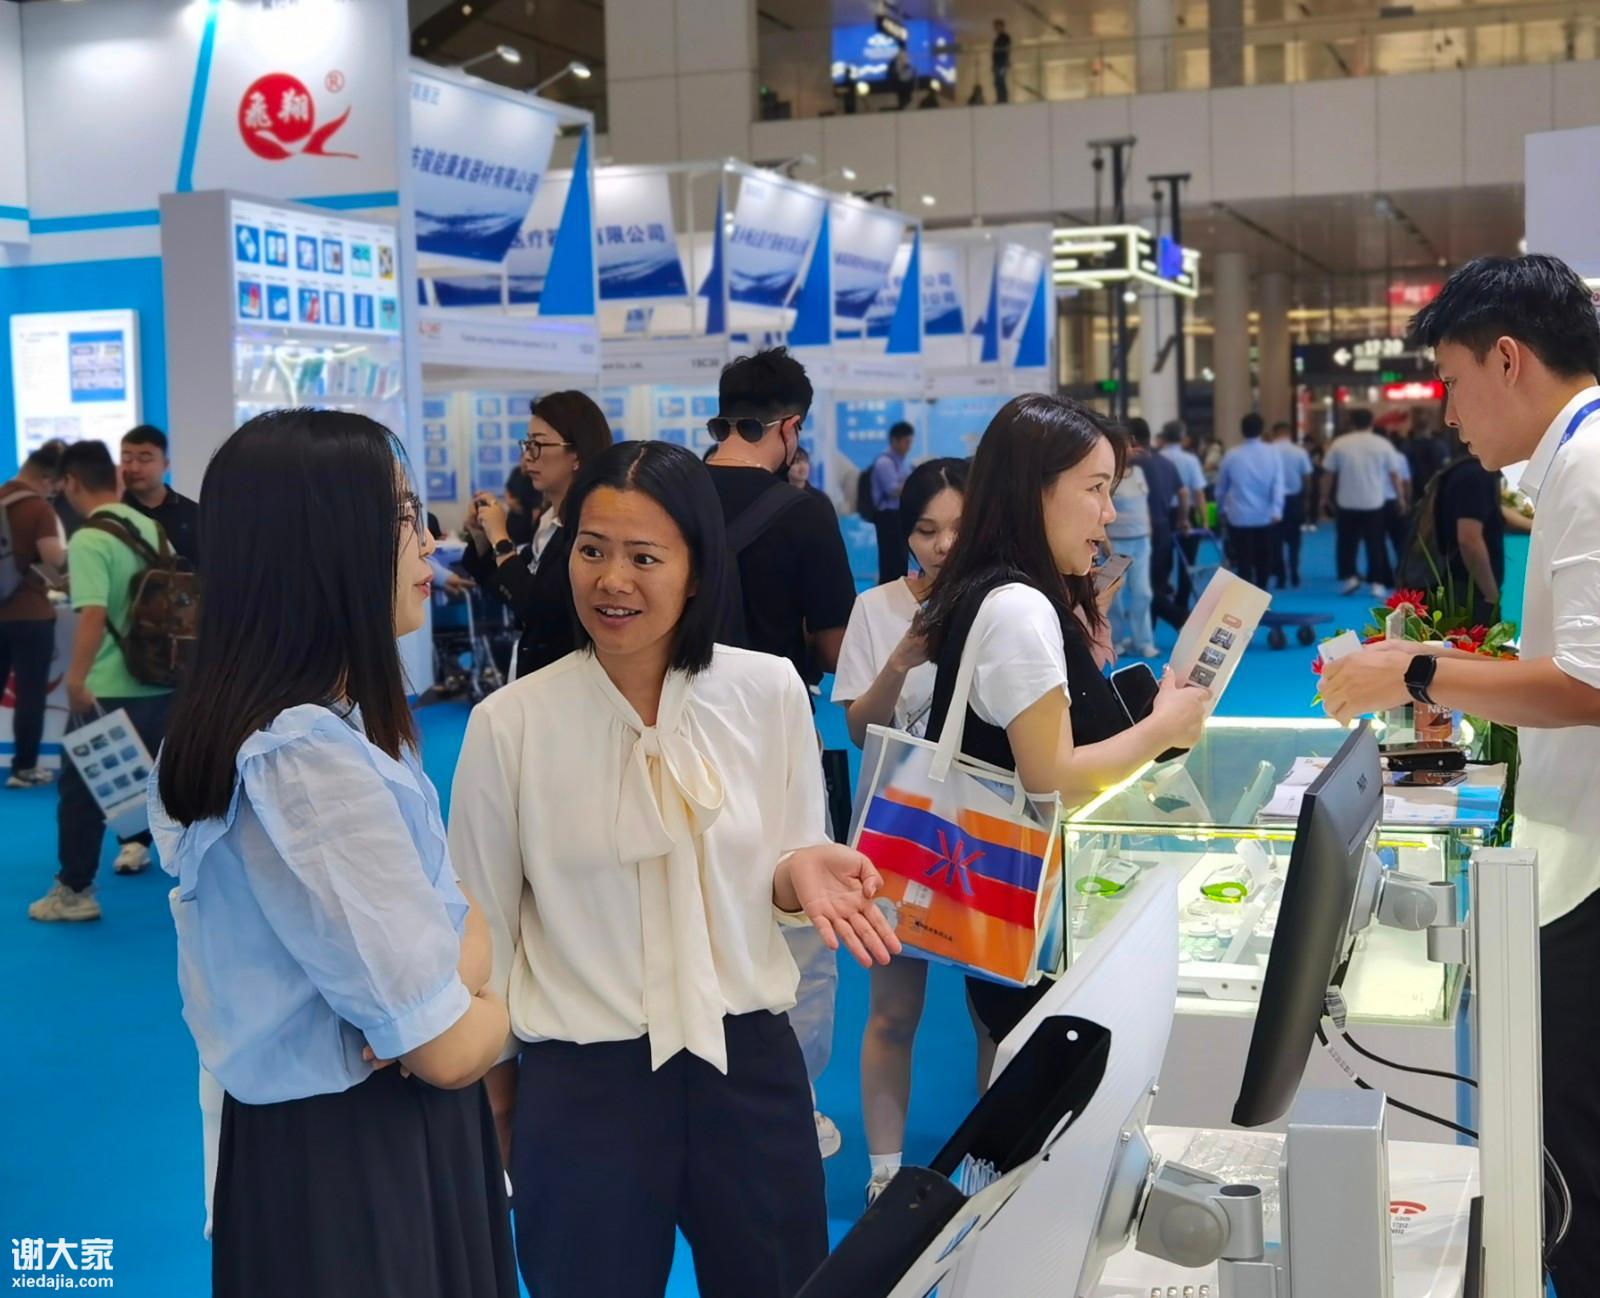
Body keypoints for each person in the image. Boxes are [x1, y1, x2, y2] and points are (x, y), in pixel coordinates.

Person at [449, 440, 900, 1298]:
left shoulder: (767, 691)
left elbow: (787, 857)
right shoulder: (511, 725)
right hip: (583, 1084)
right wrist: (501, 1102)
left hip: (748, 1066)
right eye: (592, 550)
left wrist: (797, 873)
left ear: (697, 570)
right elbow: (488, 932)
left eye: (644, 557)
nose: (612, 580)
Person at [148, 408, 516, 1298]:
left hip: (360, 1137)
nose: (427, 542)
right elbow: (444, 1048)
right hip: (358, 1159)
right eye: (401, 516)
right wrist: (507, 1000)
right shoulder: (301, 758)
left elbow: (458, 932)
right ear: (322, 545)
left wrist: (448, 987)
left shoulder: (335, 727)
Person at [1318, 254, 1600, 1294]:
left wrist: (1416, 669)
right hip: (1574, 853)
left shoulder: (1589, 464)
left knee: (1579, 1174)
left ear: (1508, 359)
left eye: (1452, 379)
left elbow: (1588, 684)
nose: (1447, 410)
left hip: (1590, 873)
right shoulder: (1575, 460)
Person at [915, 394, 1211, 1045]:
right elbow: (1052, 776)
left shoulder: (996, 589)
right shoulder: (1019, 608)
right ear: (1034, 491)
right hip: (1037, 917)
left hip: (1018, 905)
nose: (1109, 512)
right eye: (1095, 488)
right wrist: (1163, 727)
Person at [703, 347, 858, 1156]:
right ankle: (788, 1102)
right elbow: (835, 649)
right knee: (796, 920)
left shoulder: (667, 496)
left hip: (666, 734)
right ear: (790, 426)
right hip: (772, 744)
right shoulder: (804, 514)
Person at [830, 458, 992, 1200]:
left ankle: (993, 1165)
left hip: (987, 835)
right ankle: (885, 1174)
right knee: (893, 1011)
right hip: (895, 837)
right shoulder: (876, 609)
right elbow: (859, 729)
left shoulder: (1007, 605)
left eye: (957, 528)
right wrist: (900, 660)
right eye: (926, 530)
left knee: (993, 1013)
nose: (942, 545)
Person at [27, 442, 174, 921]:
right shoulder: (150, 528)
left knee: (81, 793)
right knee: (164, 787)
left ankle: (75, 891)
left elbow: (92, 615)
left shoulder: (90, 538)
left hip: (108, 687)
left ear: (70, 483)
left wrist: (76, 679)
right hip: (161, 680)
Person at [460, 392, 613, 681]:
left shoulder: (589, 527)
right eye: (527, 444)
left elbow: (537, 606)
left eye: (538, 445)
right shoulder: (547, 519)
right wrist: (482, 537)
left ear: (577, 454)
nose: (527, 457)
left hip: (571, 680)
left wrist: (501, 539)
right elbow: (511, 590)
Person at [1, 440, 69, 788]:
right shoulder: (38, 509)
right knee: (30, 694)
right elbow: (53, 557)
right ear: (46, 478)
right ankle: (24, 768)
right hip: (31, 614)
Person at [1323, 407, 1406, 596]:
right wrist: (1400, 497)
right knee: (1375, 543)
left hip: (1346, 500)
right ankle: (1377, 583)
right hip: (1374, 501)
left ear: (1352, 423)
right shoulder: (1382, 444)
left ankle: (1350, 577)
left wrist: (1324, 497)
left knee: (1346, 542)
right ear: (1372, 423)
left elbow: (1328, 473)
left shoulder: (1340, 444)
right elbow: (1394, 474)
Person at [1214, 414, 1285, 590]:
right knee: (1264, 559)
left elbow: (1221, 487)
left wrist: (1221, 508)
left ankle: (1246, 598)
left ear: (1242, 430)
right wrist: (1277, 510)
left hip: (1238, 515)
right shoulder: (1272, 453)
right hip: (1265, 516)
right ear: (1262, 430)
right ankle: (1262, 591)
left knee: (1243, 560)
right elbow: (1278, 484)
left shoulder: (1232, 455)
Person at [1126, 419, 1183, 631]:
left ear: (1131, 438)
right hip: (1164, 526)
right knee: (1156, 583)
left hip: (1142, 529)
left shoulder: (1134, 464)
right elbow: (1183, 492)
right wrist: (1183, 519)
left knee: (1144, 587)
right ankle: (1148, 632)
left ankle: (1181, 619)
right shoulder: (1166, 462)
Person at [120, 425, 201, 568]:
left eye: (145, 459)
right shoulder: (115, 513)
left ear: (165, 464)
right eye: (127, 459)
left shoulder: (193, 514)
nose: (134, 468)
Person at [1106, 450, 1158, 659]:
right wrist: (1105, 542)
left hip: (1141, 541)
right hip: (1116, 542)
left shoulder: (1138, 472)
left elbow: (1144, 505)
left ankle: (1143, 641)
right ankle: (1115, 640)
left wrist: (1149, 529)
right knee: (1114, 595)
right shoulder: (1109, 477)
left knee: (1143, 593)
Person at [1159, 420, 1208, 609]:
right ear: (1183, 437)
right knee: (1188, 560)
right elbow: (1198, 492)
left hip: (1162, 513)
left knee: (1162, 559)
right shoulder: (1190, 460)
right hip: (1188, 512)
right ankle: (1182, 602)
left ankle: (1162, 598)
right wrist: (1204, 519)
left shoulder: (1158, 458)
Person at [869, 422, 917, 585]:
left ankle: (899, 588)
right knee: (890, 559)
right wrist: (912, 484)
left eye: (910, 442)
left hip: (897, 515)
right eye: (906, 442)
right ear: (895, 441)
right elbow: (892, 490)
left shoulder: (902, 461)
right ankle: (888, 590)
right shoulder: (885, 462)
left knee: (900, 558)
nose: (909, 446)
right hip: (887, 516)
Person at [1269, 421, 1314, 588]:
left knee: (1276, 539)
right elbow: (1307, 477)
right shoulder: (1299, 452)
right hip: (1294, 499)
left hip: (1274, 500)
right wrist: (1307, 499)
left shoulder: (1268, 451)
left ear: (1274, 433)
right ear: (1289, 433)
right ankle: (1294, 571)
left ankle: (1280, 575)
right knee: (1295, 539)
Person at [991, 17, 1012, 102]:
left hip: (1002, 62)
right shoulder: (997, 39)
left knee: (1001, 80)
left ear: (1001, 26)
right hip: (997, 63)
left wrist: (1006, 61)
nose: (996, 28)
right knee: (997, 81)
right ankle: (1000, 98)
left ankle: (1003, 99)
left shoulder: (1005, 37)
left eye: (997, 26)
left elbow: (1007, 49)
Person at [891, 45, 914, 110]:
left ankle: (902, 106)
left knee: (905, 97)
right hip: (903, 80)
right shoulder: (901, 55)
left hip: (904, 79)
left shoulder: (900, 55)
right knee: (904, 96)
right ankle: (902, 106)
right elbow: (905, 65)